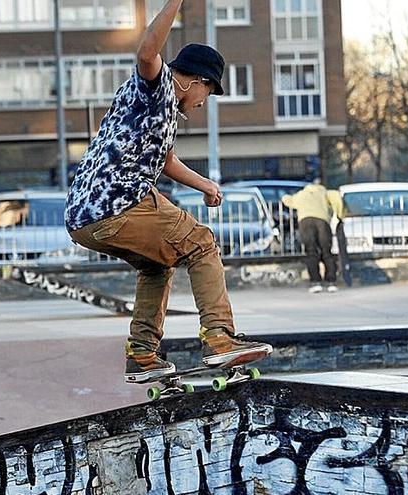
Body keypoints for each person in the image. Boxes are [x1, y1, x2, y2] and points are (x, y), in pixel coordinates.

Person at [64, 0, 272, 384]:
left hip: (84, 216)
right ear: (197, 81)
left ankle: (142, 354)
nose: (202, 103)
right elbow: (147, 52)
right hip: (119, 204)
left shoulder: (157, 111)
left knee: (157, 264)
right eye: (206, 94)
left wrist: (206, 184)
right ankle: (219, 339)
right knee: (202, 243)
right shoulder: (157, 88)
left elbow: (166, 161)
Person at [282, 181, 345, 293]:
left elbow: (288, 200)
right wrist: (339, 215)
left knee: (311, 252)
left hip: (305, 221)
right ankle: (331, 282)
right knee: (326, 251)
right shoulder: (324, 192)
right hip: (322, 221)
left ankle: (315, 282)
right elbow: (336, 197)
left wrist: (284, 197)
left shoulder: (301, 194)